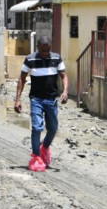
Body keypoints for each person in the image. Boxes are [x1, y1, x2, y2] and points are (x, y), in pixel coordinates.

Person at [15, 35, 69, 172]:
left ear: (51, 47)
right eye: (42, 51)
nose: (45, 54)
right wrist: (18, 99)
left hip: (51, 99)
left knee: (52, 129)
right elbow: (22, 78)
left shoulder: (56, 58)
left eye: (47, 50)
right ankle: (36, 157)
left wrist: (65, 91)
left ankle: (44, 147)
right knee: (37, 128)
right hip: (36, 99)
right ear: (37, 47)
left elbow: (63, 75)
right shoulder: (30, 59)